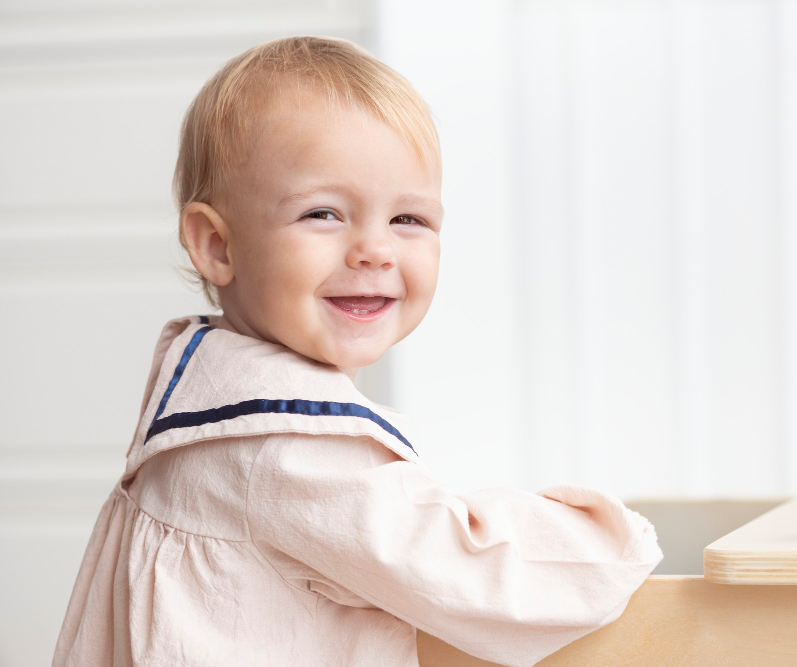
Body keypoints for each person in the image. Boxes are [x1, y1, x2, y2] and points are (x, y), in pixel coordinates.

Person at [52, 36, 662, 667]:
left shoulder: (206, 399)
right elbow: (476, 578)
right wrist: (610, 540)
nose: (375, 249)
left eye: (409, 220)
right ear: (218, 245)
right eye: (324, 214)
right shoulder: (282, 448)